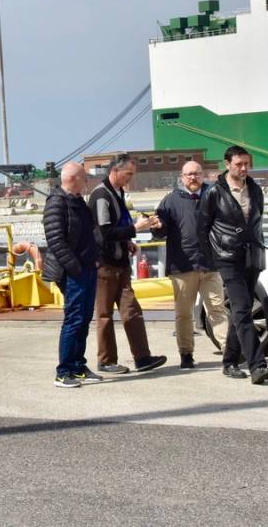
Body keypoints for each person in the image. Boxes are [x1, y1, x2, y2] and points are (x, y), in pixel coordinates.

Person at [198, 145, 268, 384]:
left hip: (252, 255)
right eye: (239, 164)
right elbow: (202, 228)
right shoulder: (214, 192)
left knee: (242, 311)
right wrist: (212, 258)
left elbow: (256, 221)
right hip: (227, 257)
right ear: (227, 164)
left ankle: (229, 361)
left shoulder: (255, 190)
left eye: (246, 164)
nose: (243, 168)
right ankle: (257, 365)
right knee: (241, 308)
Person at [88, 154, 166, 374]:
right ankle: (106, 360)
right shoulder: (102, 195)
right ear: (115, 171)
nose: (130, 178)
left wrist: (127, 241)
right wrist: (135, 229)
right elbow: (103, 232)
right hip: (104, 264)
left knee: (131, 309)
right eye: (128, 174)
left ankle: (142, 357)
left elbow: (114, 228)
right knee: (104, 314)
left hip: (120, 263)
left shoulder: (117, 192)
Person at [154, 160, 228, 368]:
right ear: (182, 177)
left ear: (203, 175)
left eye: (196, 173)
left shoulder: (214, 196)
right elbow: (160, 230)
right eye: (189, 174)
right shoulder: (170, 201)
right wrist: (157, 227)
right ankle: (186, 354)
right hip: (183, 266)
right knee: (183, 313)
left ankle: (228, 351)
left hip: (210, 264)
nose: (193, 178)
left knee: (217, 308)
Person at [43, 162, 102, 388]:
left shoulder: (78, 202)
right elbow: (56, 241)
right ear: (73, 178)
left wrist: (95, 259)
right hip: (73, 272)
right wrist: (75, 268)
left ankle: (78, 366)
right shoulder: (56, 203)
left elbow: (90, 232)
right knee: (74, 319)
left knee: (84, 319)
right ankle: (64, 371)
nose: (86, 182)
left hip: (87, 269)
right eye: (84, 178)